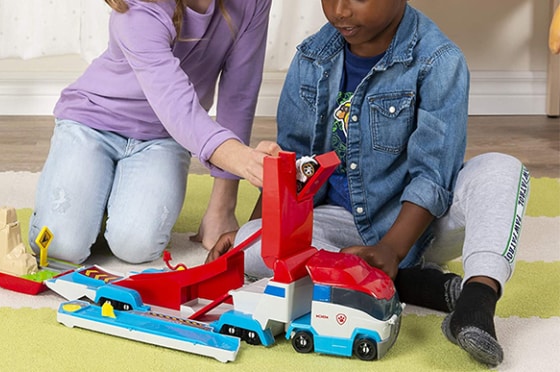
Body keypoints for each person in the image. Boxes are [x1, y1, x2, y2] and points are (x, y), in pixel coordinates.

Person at [207, 0, 530, 367]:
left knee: (503, 170)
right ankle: (414, 284)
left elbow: (433, 175)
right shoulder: (312, 57)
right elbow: (293, 165)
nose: (340, 10)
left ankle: (476, 300)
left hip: (423, 222)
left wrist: (392, 248)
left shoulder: (439, 60)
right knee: (254, 249)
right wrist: (256, 231)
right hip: (342, 228)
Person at [28, 0, 280, 266]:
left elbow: (239, 94)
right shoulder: (137, 7)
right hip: (93, 123)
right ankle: (91, 195)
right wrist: (245, 160)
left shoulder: (252, 3)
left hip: (163, 138)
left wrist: (223, 207)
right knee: (60, 247)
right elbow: (177, 106)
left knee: (137, 247)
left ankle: (99, 197)